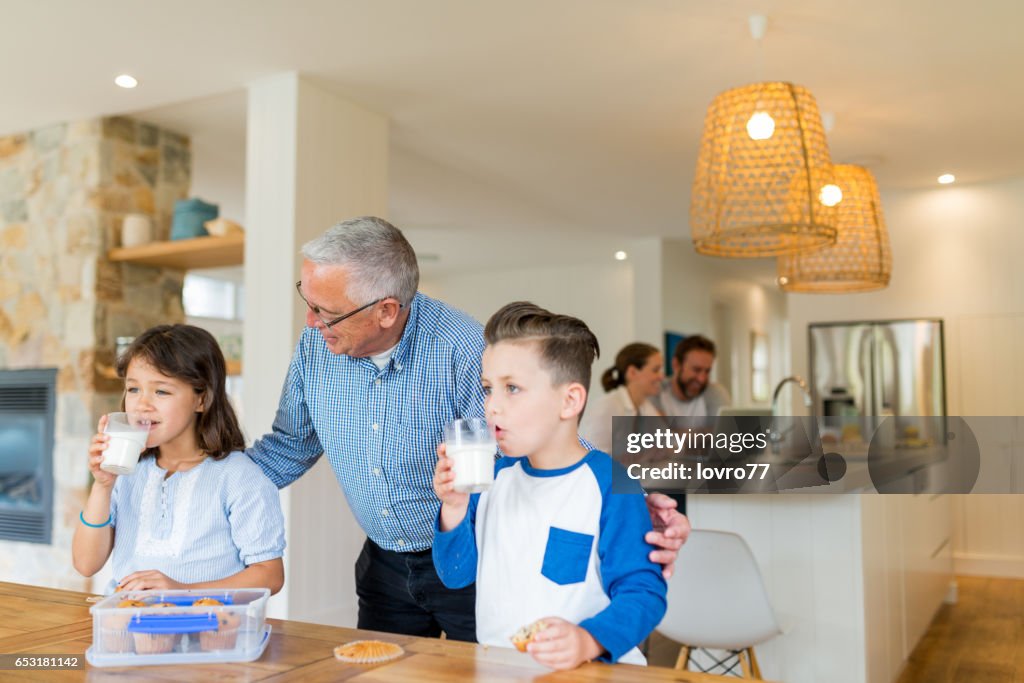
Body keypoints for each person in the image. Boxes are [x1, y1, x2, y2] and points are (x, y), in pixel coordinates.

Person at [246, 216, 689, 642]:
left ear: (385, 311)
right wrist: (202, 480)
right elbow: (288, 446)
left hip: (479, 559)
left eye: (327, 312)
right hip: (385, 564)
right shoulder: (316, 345)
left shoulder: (463, 349)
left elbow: (535, 432)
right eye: (309, 299)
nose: (310, 322)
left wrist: (623, 499)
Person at [432, 302, 666, 669]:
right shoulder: (491, 479)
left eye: (512, 388)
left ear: (569, 400)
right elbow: (455, 576)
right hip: (501, 669)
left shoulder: (612, 483)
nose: (491, 406)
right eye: (487, 388)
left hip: (591, 671)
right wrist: (454, 507)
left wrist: (588, 640)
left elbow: (644, 592)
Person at [72, 325, 285, 594]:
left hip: (209, 629)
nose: (141, 404)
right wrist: (102, 485)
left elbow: (270, 575)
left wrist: (182, 590)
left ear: (202, 399)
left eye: (161, 391)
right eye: (134, 389)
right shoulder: (128, 473)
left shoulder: (239, 477)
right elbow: (85, 564)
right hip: (130, 624)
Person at [579, 342, 664, 452]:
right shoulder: (606, 407)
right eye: (656, 370)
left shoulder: (646, 407)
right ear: (632, 372)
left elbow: (672, 445)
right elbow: (593, 459)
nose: (661, 377)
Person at [655, 334, 731, 419]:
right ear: (676, 365)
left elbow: (722, 431)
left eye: (707, 371)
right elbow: (654, 430)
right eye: (696, 370)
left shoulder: (715, 393)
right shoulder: (656, 390)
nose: (701, 379)